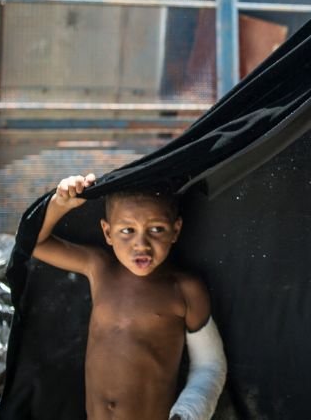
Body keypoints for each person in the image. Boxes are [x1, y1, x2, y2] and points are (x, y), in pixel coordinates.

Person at [32, 173, 226, 420]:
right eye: (127, 230)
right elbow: (35, 243)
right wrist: (60, 204)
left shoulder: (185, 289)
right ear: (107, 232)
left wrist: (188, 414)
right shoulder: (99, 269)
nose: (141, 244)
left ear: (175, 230)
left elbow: (210, 366)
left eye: (156, 229)